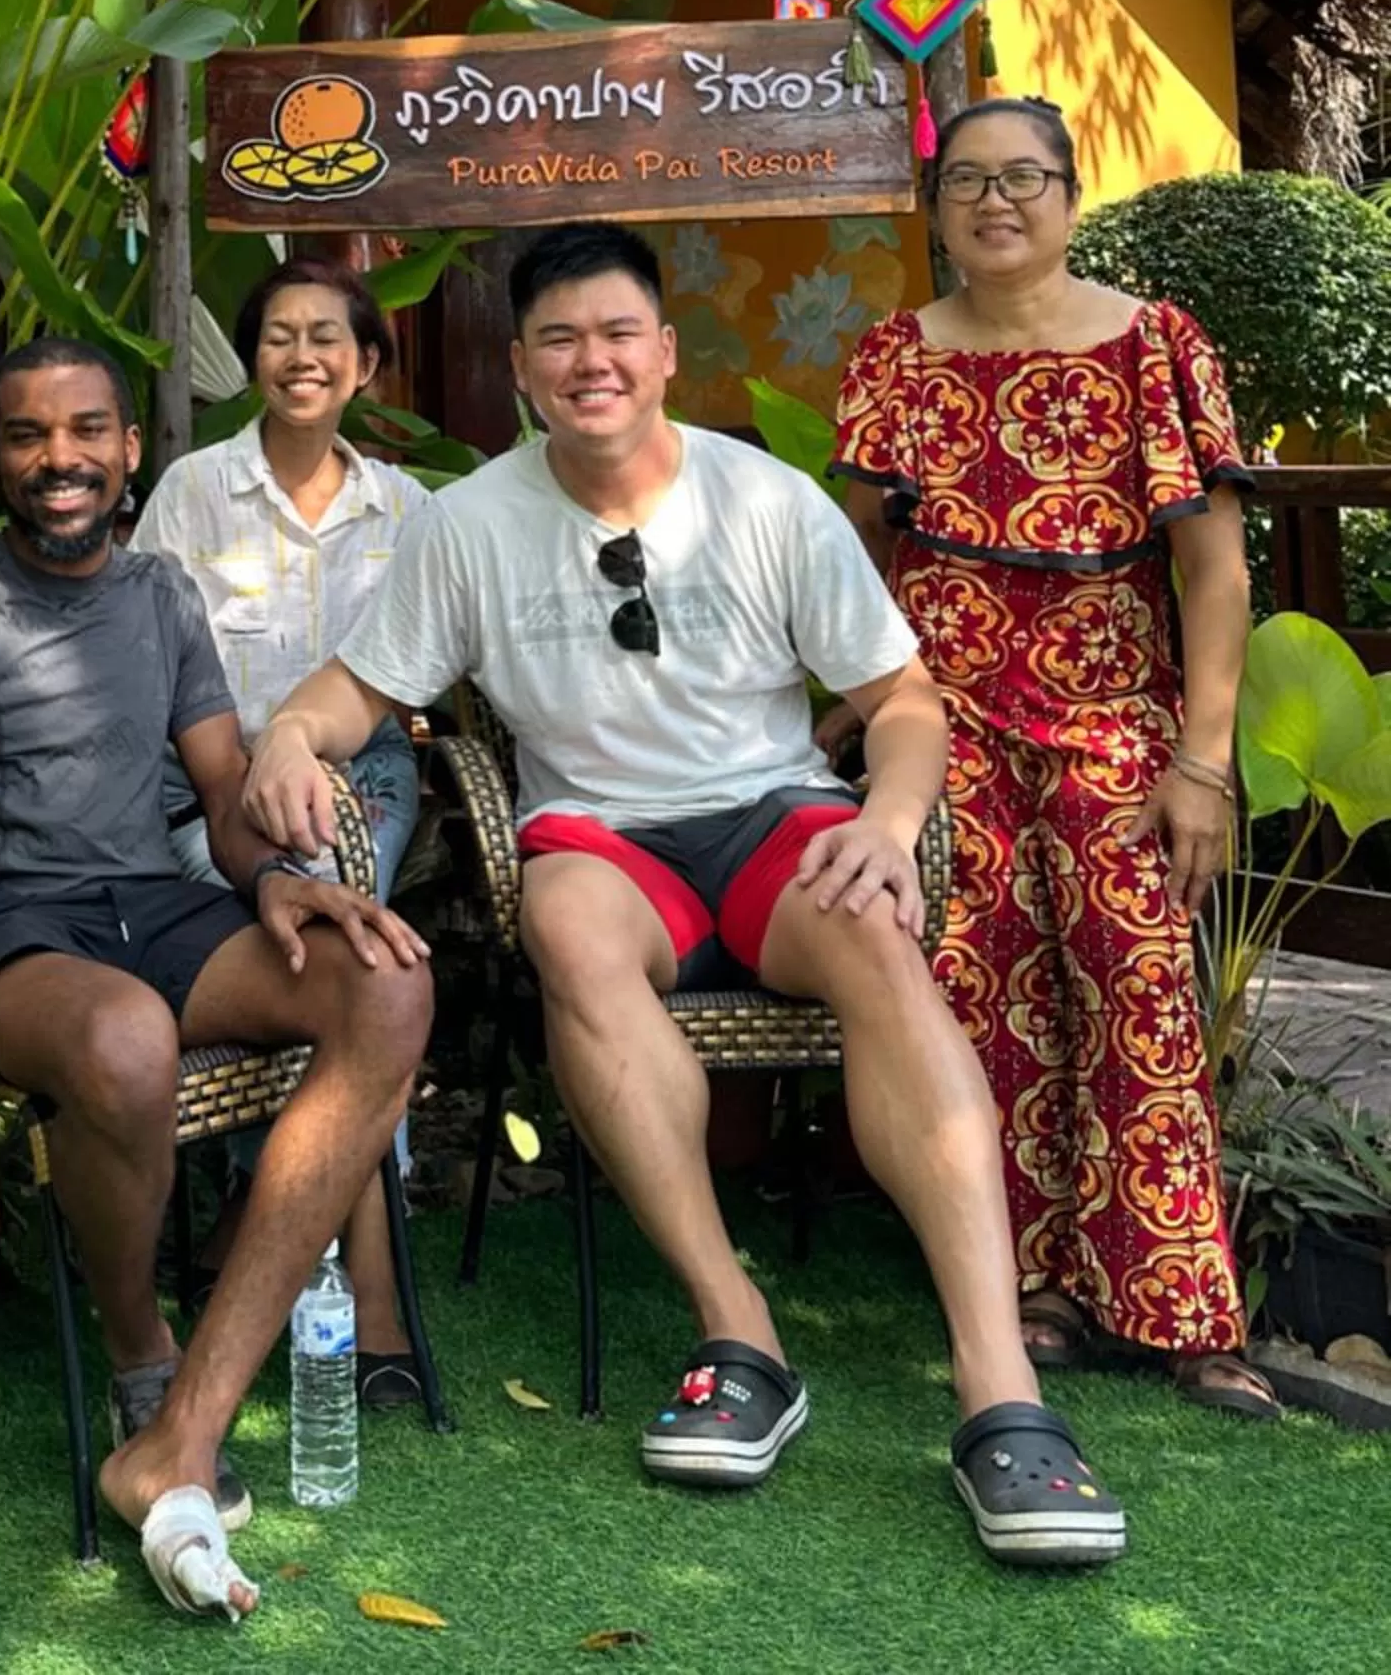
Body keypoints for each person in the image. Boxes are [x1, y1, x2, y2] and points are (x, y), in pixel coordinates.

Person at [247, 220, 1127, 1569]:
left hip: (773, 818)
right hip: (605, 843)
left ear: (661, 352)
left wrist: (888, 823)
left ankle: (1000, 1392)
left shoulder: (764, 500)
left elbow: (896, 702)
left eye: (614, 333)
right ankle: (739, 1336)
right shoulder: (472, 523)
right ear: (523, 371)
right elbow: (356, 688)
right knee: (563, 924)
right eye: (557, 340)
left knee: (880, 943)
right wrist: (284, 739)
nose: (589, 361)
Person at [0, 335, 432, 1623]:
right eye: (27, 436)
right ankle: (143, 1353)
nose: (58, 460)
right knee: (126, 1042)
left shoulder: (162, 597)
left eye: (86, 434)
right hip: (7, 936)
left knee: (385, 983)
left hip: (157, 907)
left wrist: (277, 878)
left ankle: (179, 1430)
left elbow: (226, 795)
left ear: (132, 453)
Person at [831, 94, 1272, 1416]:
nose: (994, 202)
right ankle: (1030, 1287)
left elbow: (1212, 570)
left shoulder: (1156, 348)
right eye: (964, 181)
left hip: (1115, 726)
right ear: (934, 210)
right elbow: (852, 562)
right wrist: (853, 712)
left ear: (1070, 198)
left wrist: (1201, 762)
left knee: (1135, 979)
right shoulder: (893, 358)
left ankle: (1181, 1303)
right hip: (944, 727)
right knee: (978, 991)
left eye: (1023, 178)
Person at [132, 255, 426, 1405]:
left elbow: (429, 674)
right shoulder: (193, 491)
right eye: (278, 339)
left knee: (334, 922)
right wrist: (247, 770)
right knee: (346, 956)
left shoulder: (411, 509)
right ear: (250, 362)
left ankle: (289, 1245)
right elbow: (144, 656)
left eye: (326, 339)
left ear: (362, 366)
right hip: (207, 780)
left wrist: (315, 757)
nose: (301, 358)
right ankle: (368, 1285)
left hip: (366, 777)